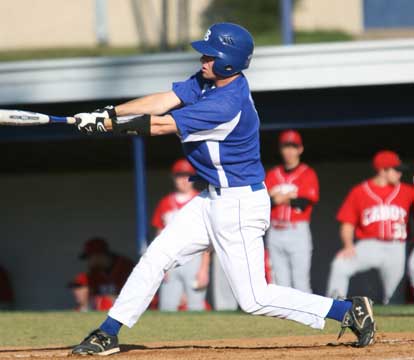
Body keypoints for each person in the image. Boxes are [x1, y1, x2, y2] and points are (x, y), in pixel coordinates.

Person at [71, 22, 375, 356]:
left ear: (229, 62)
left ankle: (346, 310)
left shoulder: (226, 104)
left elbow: (161, 124)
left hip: (240, 205)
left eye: (211, 55)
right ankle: (109, 332)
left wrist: (107, 126)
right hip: (209, 200)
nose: (203, 59)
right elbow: (163, 101)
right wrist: (110, 112)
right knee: (155, 257)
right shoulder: (206, 81)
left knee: (254, 298)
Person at [326, 150, 414, 304]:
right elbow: (347, 222)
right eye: (396, 170)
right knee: (340, 265)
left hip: (397, 246)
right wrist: (348, 245)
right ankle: (334, 306)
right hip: (369, 245)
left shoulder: (407, 191)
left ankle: (395, 326)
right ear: (382, 170)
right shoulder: (359, 191)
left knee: (394, 296)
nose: (400, 174)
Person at [152, 158, 210, 311]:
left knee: (196, 307)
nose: (184, 180)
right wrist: (159, 264)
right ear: (173, 178)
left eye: (187, 175)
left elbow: (207, 238)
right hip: (170, 259)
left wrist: (204, 269)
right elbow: (159, 234)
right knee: (167, 307)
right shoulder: (165, 203)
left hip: (195, 258)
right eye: (179, 176)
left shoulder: (202, 199)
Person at [265, 130, 319, 293]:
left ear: (300, 149)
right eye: (286, 146)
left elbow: (303, 202)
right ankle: (284, 318)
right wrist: (289, 196)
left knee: (300, 282)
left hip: (297, 230)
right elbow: (265, 203)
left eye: (293, 146)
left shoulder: (308, 173)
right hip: (275, 230)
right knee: (280, 283)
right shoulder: (273, 174)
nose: (289, 151)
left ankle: (308, 318)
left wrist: (279, 197)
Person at [80, 237, 135, 307]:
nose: (89, 262)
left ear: (98, 255)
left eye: (89, 258)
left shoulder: (126, 267)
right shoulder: (94, 272)